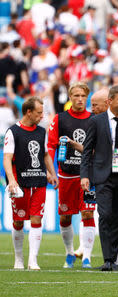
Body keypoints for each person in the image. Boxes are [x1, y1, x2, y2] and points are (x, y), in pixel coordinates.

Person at [74, 87, 118, 269]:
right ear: (110, 101)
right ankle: (108, 260)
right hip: (103, 175)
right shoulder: (96, 122)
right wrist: (85, 175)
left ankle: (115, 259)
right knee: (104, 214)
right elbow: (87, 151)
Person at [3, 96, 59, 270]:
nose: (42, 116)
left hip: (39, 182)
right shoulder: (13, 132)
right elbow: (7, 158)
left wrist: (52, 173)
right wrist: (12, 180)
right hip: (20, 185)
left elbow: (45, 155)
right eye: (39, 112)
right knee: (18, 221)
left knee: (36, 219)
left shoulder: (41, 132)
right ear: (28, 112)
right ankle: (18, 259)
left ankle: (32, 260)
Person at [47, 82, 95, 269]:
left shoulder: (93, 119)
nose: (80, 99)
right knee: (65, 217)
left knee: (88, 212)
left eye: (83, 95)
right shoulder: (60, 119)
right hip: (66, 174)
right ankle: (69, 253)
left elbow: (96, 150)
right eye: (76, 95)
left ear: (87, 97)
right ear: (70, 97)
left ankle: (87, 257)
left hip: (87, 175)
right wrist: (51, 171)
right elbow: (51, 146)